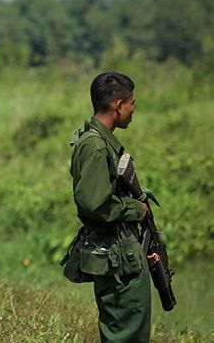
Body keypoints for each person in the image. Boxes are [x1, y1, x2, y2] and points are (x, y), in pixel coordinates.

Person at [65, 72, 152, 342]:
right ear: (117, 105)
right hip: (117, 253)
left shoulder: (92, 139)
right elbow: (94, 203)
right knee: (127, 331)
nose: (133, 110)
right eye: (131, 103)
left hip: (116, 249)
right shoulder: (96, 147)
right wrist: (135, 210)